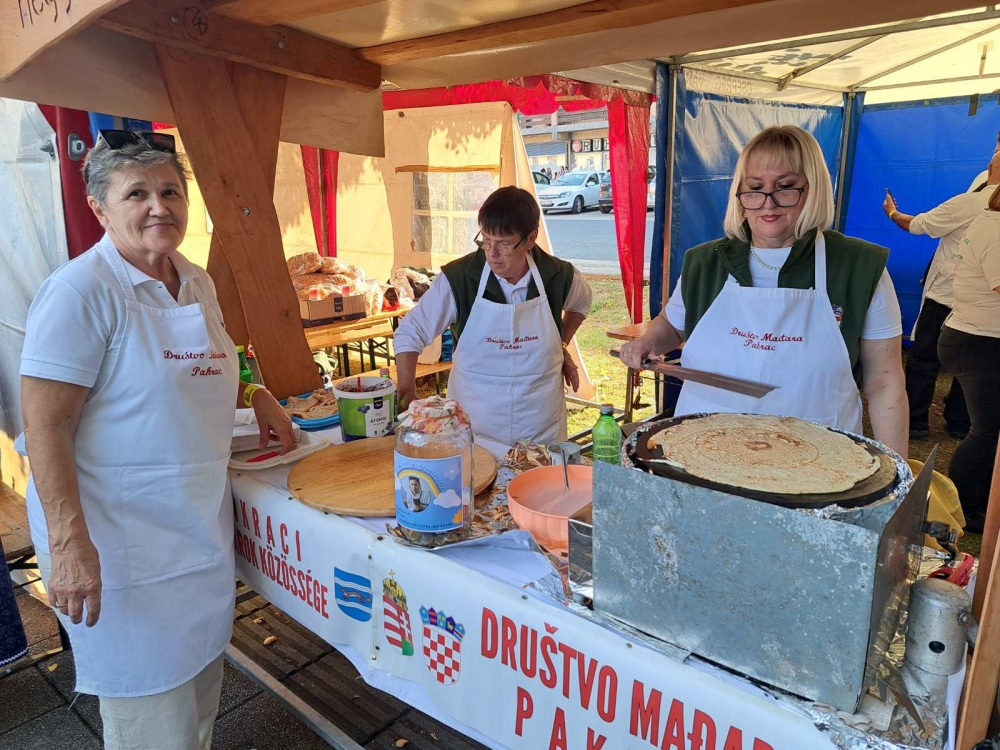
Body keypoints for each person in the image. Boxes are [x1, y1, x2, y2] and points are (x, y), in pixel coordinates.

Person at [18, 130, 295, 750]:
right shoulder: (80, 292)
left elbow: (205, 362)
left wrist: (255, 393)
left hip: (194, 531)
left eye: (170, 191)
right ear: (99, 209)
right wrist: (68, 544)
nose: (157, 206)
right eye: (136, 193)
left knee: (197, 707)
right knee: (152, 723)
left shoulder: (194, 280)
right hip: (121, 548)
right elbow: (46, 425)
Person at [621, 125, 908, 457]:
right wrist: (646, 342)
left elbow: (885, 383)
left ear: (813, 188)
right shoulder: (706, 262)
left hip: (819, 459)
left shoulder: (858, 267)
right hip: (704, 451)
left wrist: (897, 470)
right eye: (755, 189)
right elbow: (672, 326)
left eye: (785, 188)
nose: (768, 204)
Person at [393, 186, 593, 452]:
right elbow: (410, 332)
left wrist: (561, 344)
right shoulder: (460, 278)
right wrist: (406, 389)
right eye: (485, 241)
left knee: (540, 478)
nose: (491, 254)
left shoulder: (558, 275)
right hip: (475, 426)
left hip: (540, 424)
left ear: (530, 239)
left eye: (503, 244)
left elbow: (581, 303)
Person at [881, 155, 1000, 439]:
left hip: (949, 295)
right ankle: (960, 423)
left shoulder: (969, 204)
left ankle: (916, 421)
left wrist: (892, 212)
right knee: (973, 365)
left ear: (989, 170)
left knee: (925, 359)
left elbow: (916, 225)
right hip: (985, 306)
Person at [937, 187, 1000, 531]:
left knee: (990, 428)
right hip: (977, 342)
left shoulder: (991, 221)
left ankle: (981, 498)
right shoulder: (996, 229)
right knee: (987, 430)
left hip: (979, 338)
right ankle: (962, 507)